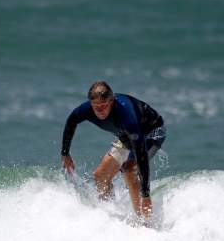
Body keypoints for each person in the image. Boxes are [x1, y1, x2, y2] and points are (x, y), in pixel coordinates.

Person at [61, 80, 166, 220]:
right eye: (96, 107)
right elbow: (71, 121)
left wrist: (145, 194)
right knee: (100, 176)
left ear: (111, 101)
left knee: (129, 169)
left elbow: (141, 154)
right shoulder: (87, 109)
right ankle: (110, 216)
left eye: (104, 106)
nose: (100, 111)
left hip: (151, 132)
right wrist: (65, 153)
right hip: (126, 136)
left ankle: (143, 222)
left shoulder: (126, 115)